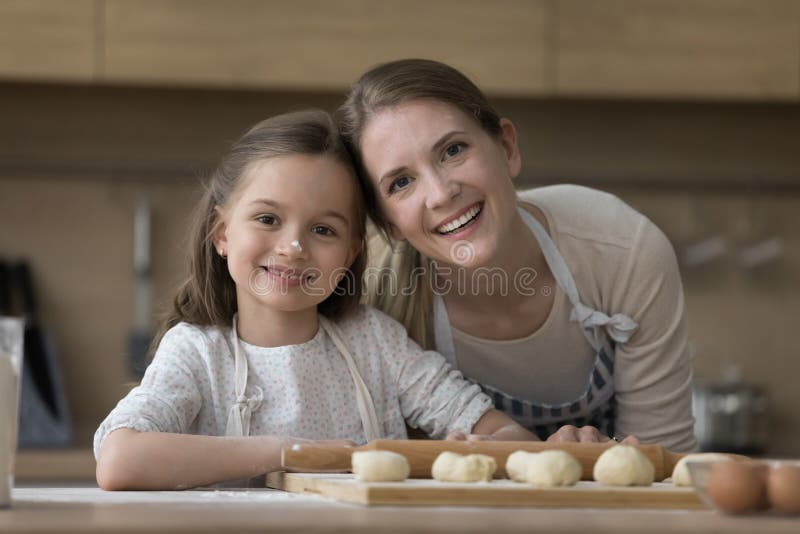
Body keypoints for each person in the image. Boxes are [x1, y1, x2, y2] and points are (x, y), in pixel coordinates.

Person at [94, 110, 536, 491]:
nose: (292, 247)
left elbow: (499, 430)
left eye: (323, 229)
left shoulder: (376, 344)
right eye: (268, 218)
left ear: (350, 254)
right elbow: (119, 460)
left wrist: (486, 448)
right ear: (222, 233)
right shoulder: (197, 353)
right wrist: (291, 453)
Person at [337, 59, 697, 452]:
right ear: (387, 223)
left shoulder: (622, 250)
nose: (441, 194)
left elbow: (664, 466)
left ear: (507, 147)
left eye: (453, 150)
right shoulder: (373, 305)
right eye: (401, 182)